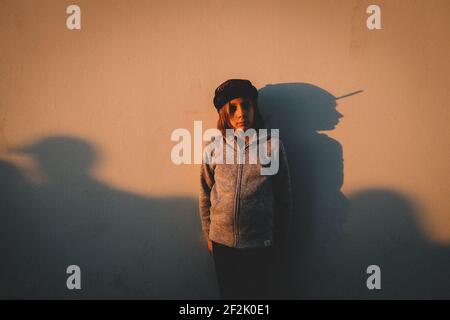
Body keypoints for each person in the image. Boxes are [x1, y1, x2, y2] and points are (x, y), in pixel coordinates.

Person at [199, 79, 293, 299]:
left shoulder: (272, 145)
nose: (241, 113)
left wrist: (280, 239)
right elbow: (205, 193)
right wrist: (209, 236)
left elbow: (284, 196)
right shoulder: (214, 148)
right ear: (224, 113)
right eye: (233, 108)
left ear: (254, 108)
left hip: (260, 244)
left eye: (246, 105)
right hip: (222, 244)